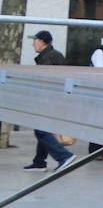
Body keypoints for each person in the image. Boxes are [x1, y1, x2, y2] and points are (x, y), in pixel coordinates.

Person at [22, 32, 74, 173]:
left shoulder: (47, 57)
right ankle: (39, 162)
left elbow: (44, 81)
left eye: (35, 40)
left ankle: (64, 156)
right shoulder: (53, 55)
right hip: (55, 99)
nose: (33, 43)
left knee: (41, 130)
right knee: (42, 129)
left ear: (42, 41)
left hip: (48, 100)